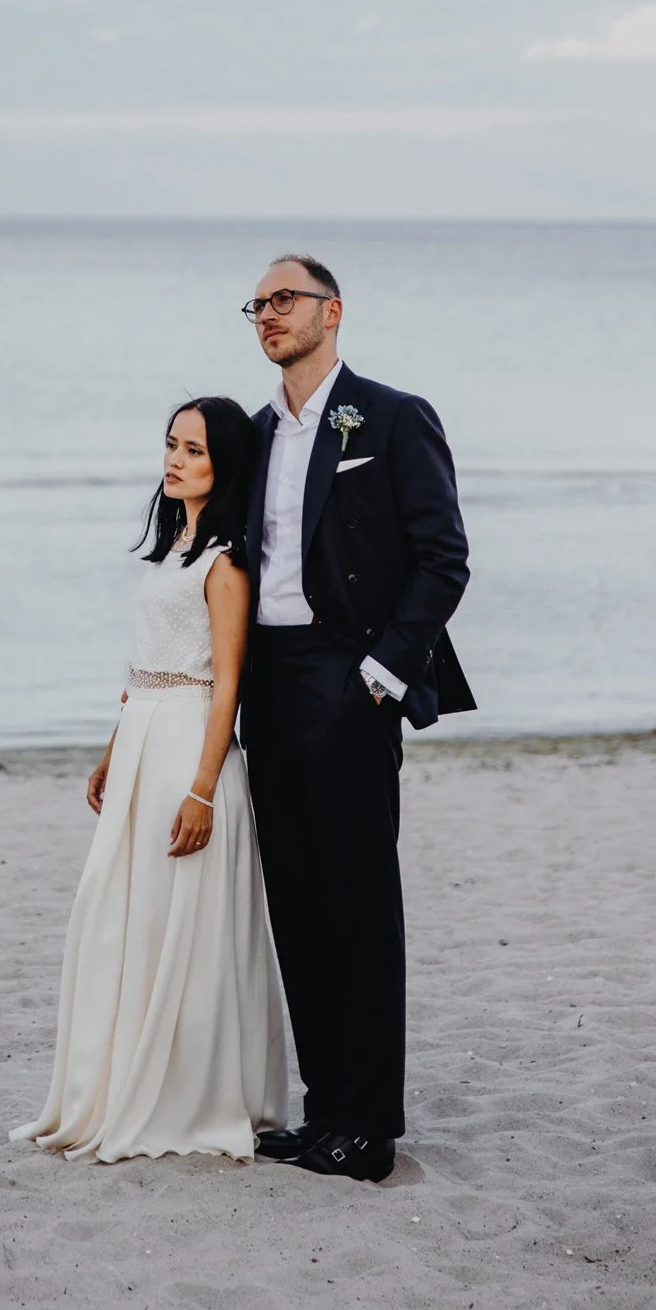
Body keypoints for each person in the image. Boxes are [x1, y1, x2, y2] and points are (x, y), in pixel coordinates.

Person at [240, 255, 472, 1183]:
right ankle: (324, 1109)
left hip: (349, 679)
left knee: (359, 906)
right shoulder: (257, 432)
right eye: (258, 305)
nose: (268, 314)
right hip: (268, 686)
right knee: (297, 904)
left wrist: (380, 675)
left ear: (331, 311)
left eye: (284, 299)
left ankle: (369, 1126)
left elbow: (443, 558)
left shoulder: (392, 416)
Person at [12, 396, 288, 1163]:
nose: (175, 460)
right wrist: (113, 747)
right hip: (143, 737)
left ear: (224, 465)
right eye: (171, 444)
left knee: (177, 925)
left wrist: (202, 789)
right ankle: (117, 1082)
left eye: (195, 451)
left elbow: (226, 685)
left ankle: (185, 1097)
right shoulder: (175, 547)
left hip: (187, 752)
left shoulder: (224, 562)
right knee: (121, 916)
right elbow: (146, 667)